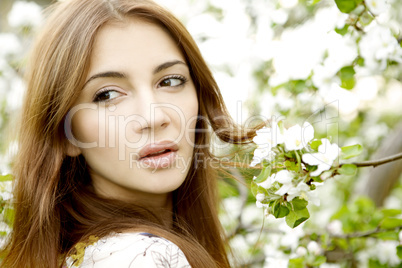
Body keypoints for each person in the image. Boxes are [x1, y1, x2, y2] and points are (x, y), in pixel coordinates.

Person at [1, 0, 255, 267]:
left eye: (170, 81)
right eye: (107, 95)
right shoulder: (141, 256)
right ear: (65, 134)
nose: (153, 117)